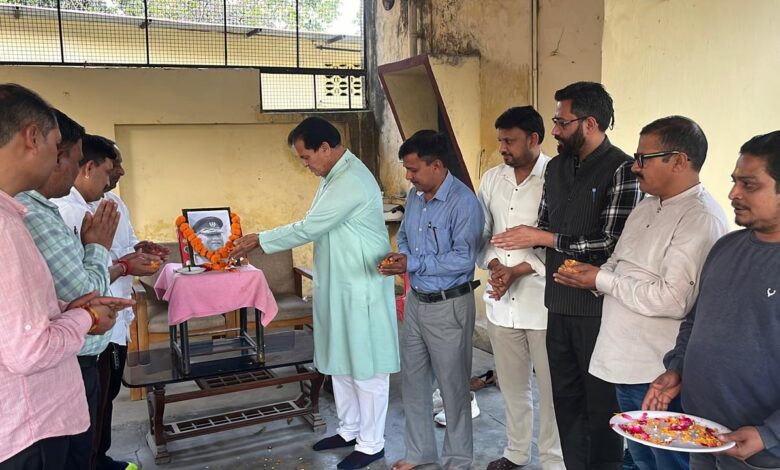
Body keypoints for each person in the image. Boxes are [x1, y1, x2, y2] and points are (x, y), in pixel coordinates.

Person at [554, 116, 729, 470]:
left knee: (666, 461)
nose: (634, 167)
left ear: (678, 161)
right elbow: (619, 261)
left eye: (642, 159)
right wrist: (592, 276)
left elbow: (674, 300)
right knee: (638, 457)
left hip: (656, 372)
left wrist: (601, 280)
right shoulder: (648, 204)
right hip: (624, 361)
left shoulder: (700, 219)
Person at [229, 116, 399, 470]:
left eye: (306, 157)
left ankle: (372, 443)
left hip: (362, 285)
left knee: (366, 365)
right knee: (341, 359)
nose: (305, 165)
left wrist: (260, 239)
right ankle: (350, 429)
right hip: (339, 283)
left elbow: (310, 227)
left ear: (325, 148)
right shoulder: (332, 176)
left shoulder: (351, 179)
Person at [491, 81, 642, 470]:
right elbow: (546, 223)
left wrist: (543, 238)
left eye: (562, 122)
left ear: (589, 123)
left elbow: (612, 243)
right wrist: (529, 246)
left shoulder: (622, 169)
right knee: (566, 405)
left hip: (598, 311)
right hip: (556, 304)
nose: (555, 129)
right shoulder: (557, 168)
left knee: (600, 409)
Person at [0, 84, 127, 469]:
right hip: (29, 425)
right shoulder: (9, 225)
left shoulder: (15, 215)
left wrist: (67, 308)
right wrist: (86, 315)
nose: (62, 164)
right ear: (32, 138)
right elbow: (29, 347)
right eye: (59, 148)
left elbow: (24, 310)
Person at [643, 130, 780, 470]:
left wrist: (769, 434)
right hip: (704, 438)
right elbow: (695, 322)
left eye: (749, 185)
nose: (733, 193)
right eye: (734, 181)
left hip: (762, 454)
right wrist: (677, 369)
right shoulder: (726, 247)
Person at [379, 130, 484, 470]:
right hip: (416, 301)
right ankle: (419, 452)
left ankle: (457, 461)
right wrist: (401, 258)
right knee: (413, 383)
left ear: (436, 165)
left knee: (453, 390)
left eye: (413, 169)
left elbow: (463, 259)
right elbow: (405, 236)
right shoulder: (415, 197)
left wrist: (413, 263)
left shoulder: (464, 203)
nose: (408, 177)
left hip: (449, 305)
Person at [477, 106, 564, 470]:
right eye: (500, 140)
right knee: (512, 387)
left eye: (510, 141)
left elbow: (561, 240)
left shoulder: (556, 177)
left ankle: (553, 460)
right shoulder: (492, 179)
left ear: (533, 139)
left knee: (552, 391)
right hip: (501, 303)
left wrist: (521, 270)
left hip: (542, 304)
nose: (503, 148)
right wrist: (495, 266)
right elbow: (482, 233)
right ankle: (515, 452)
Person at [87, 135, 167, 470]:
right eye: (114, 165)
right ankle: (91, 460)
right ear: (88, 167)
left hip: (119, 315)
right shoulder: (72, 209)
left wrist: (142, 250)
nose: (120, 171)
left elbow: (128, 244)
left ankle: (100, 456)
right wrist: (124, 266)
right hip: (93, 321)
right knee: (93, 398)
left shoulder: (116, 203)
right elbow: (80, 274)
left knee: (108, 393)